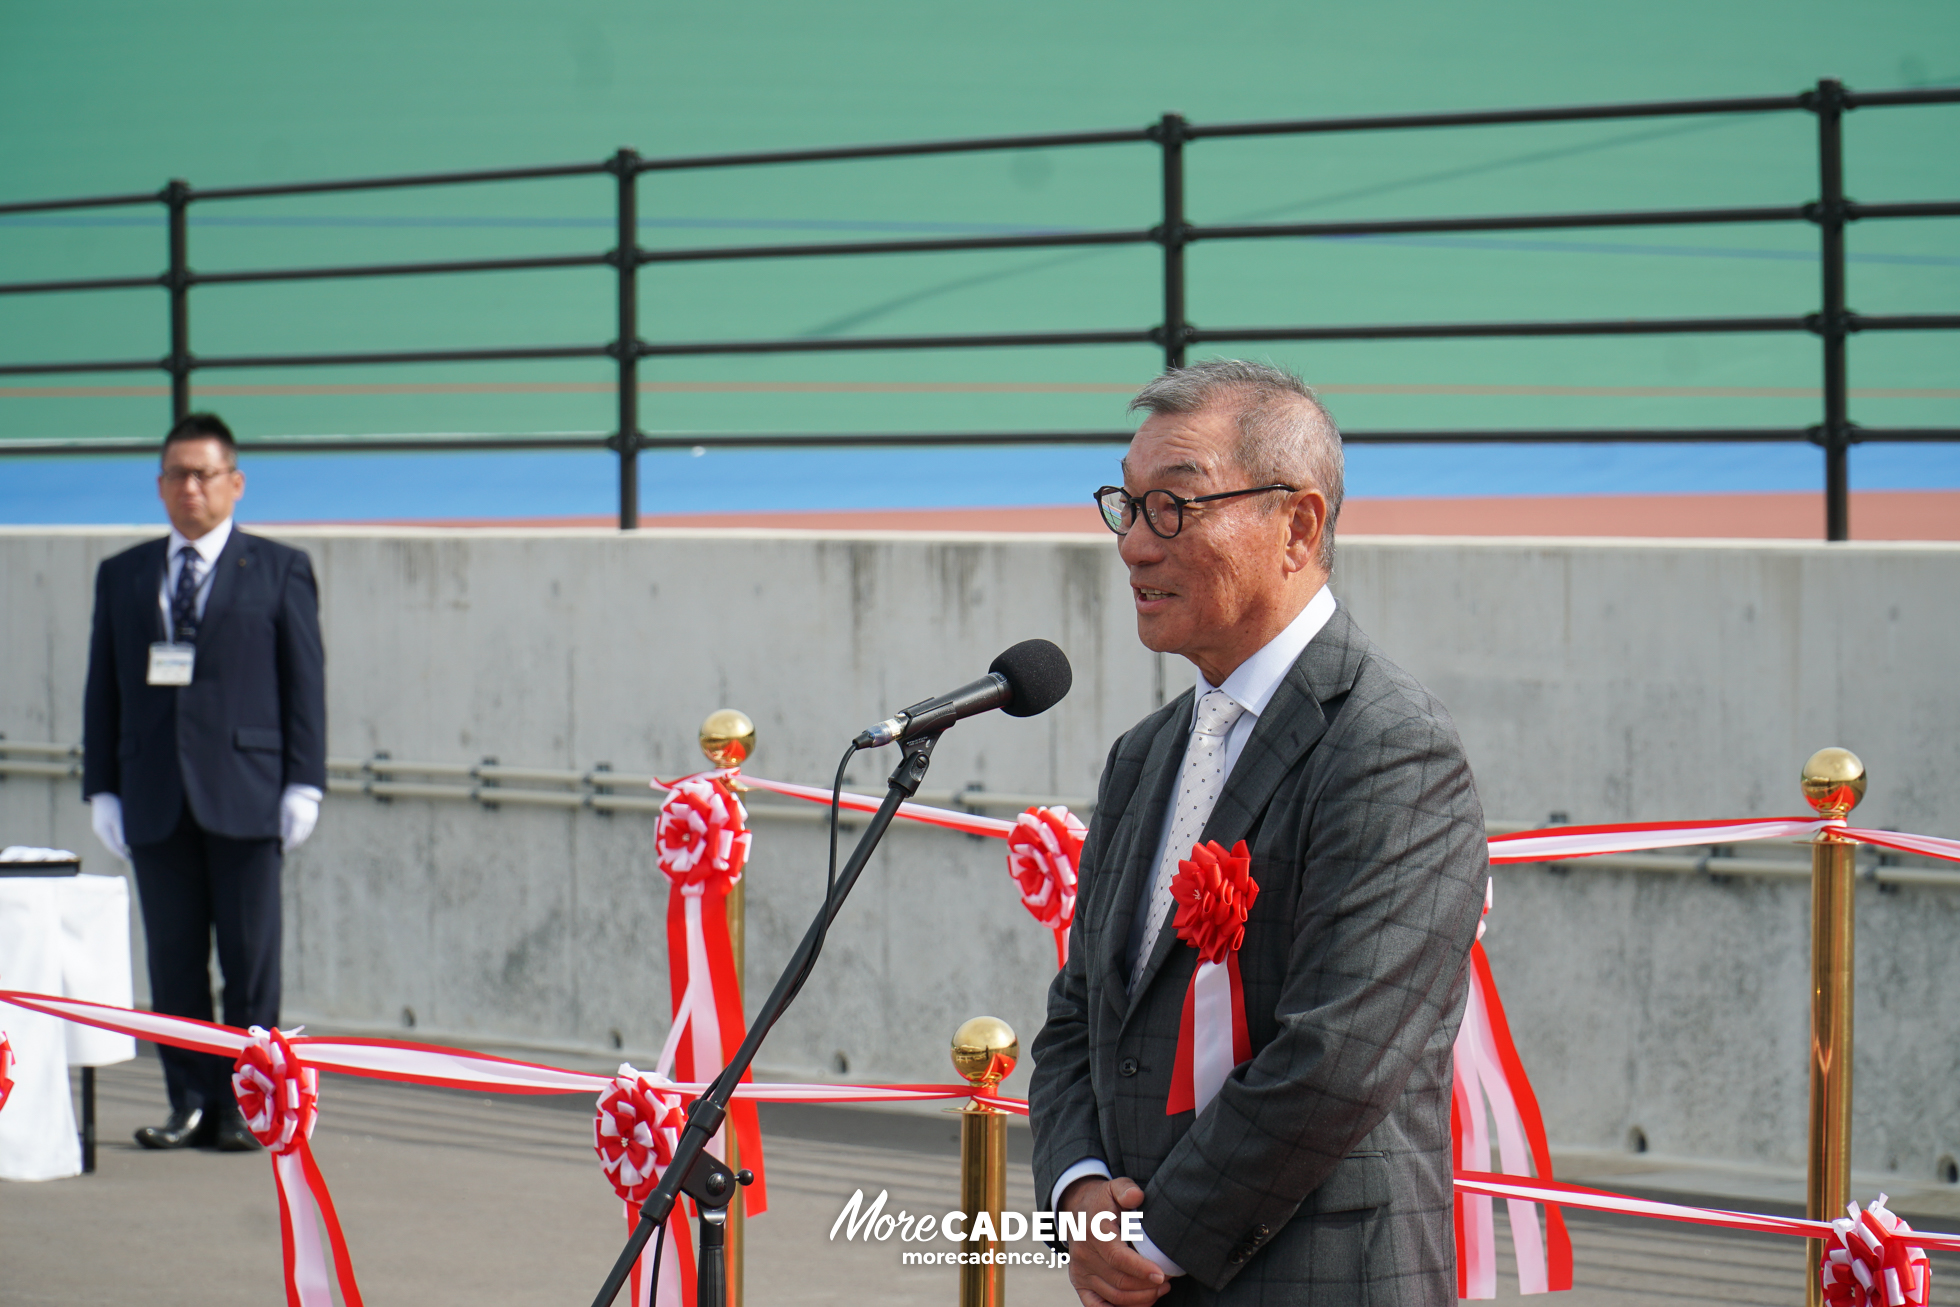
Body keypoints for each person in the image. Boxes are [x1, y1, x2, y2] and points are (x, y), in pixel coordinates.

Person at [1029, 361, 1487, 1305]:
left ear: (1299, 526)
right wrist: (1078, 1195)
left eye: (1176, 507)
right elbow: (1079, 1009)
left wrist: (1151, 1238)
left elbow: (1337, 1057)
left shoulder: (1392, 749)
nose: (1133, 547)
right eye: (1129, 503)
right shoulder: (1144, 754)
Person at [82, 413, 326, 1151]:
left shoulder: (279, 568)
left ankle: (247, 1110)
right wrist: (103, 785)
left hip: (248, 793)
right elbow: (104, 688)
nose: (191, 487)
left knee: (251, 968)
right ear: (160, 486)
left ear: (235, 483)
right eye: (177, 475)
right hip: (154, 795)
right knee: (175, 963)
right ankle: (189, 1100)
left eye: (205, 474)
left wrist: (304, 783)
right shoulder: (123, 573)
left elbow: (304, 684)